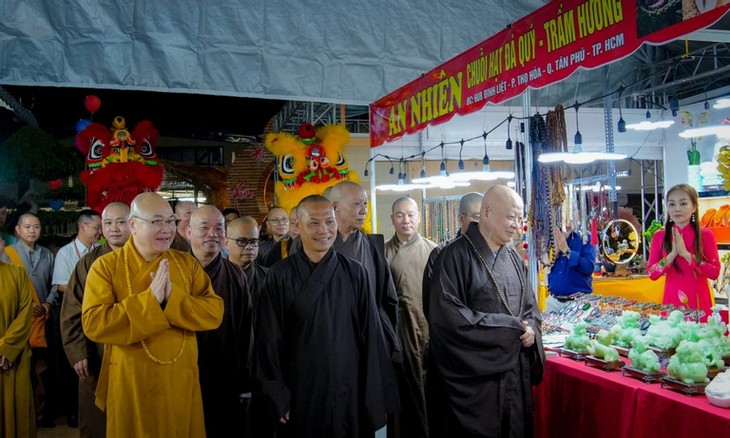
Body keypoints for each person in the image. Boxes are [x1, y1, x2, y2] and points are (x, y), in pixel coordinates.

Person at [81, 192, 224, 437]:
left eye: (170, 221)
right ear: (133, 225)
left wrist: (172, 300)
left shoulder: (185, 263)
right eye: (157, 221)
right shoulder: (106, 267)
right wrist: (150, 302)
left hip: (179, 378)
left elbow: (214, 312)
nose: (166, 229)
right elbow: (94, 323)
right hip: (132, 381)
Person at [254, 195, 395, 437]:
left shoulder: (355, 272)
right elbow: (268, 339)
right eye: (314, 223)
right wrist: (277, 394)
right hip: (300, 390)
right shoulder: (279, 275)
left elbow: (371, 337)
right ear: (297, 226)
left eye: (330, 222)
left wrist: (372, 397)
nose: (324, 231)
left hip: (348, 388)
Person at [426, 185, 545, 437]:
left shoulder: (513, 257)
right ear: (487, 213)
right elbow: (448, 318)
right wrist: (511, 329)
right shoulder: (453, 256)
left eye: (520, 218)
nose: (517, 224)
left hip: (512, 372)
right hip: (474, 382)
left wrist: (531, 330)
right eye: (511, 217)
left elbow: (530, 308)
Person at [60, 202, 131, 438]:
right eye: (107, 223)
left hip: (133, 352)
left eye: (120, 222)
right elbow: (71, 309)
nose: (114, 229)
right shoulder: (88, 262)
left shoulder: (144, 257)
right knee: (97, 419)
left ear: (132, 223)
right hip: (95, 353)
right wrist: (77, 351)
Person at [188, 205, 254, 438]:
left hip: (225, 374)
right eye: (204, 227)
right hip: (183, 374)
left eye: (219, 228)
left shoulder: (235, 274)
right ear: (188, 232)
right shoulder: (174, 271)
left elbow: (246, 329)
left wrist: (245, 380)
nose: (212, 234)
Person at [384, 197, 437, 438]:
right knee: (400, 390)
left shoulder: (433, 250)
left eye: (410, 214)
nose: (406, 220)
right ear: (392, 218)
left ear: (418, 217)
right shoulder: (381, 252)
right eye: (400, 215)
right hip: (395, 333)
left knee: (427, 388)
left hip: (426, 331)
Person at [1, 212, 57, 428]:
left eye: (36, 226)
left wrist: (48, 303)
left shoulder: (47, 255)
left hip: (43, 320)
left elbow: (55, 283)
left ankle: (40, 416)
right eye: (27, 227)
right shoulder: (7, 254)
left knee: (42, 371)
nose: (32, 231)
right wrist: (27, 306)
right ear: (17, 230)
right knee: (19, 373)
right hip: (19, 322)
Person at [52, 209, 102, 428]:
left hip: (97, 316)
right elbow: (61, 285)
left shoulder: (99, 251)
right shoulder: (66, 253)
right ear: (83, 227)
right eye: (97, 227)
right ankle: (73, 412)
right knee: (76, 369)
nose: (100, 231)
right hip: (75, 314)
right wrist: (87, 287)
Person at [648, 184, 721, 322]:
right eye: (672, 204)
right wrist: (671, 256)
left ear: (694, 207)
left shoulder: (705, 235)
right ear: (667, 208)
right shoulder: (660, 236)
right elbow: (652, 273)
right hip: (671, 300)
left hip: (699, 299)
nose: (677, 209)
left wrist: (687, 255)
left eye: (683, 203)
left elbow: (714, 272)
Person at [423, 192, 483, 319]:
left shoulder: (493, 252)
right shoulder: (441, 253)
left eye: (486, 218)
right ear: (461, 219)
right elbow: (432, 305)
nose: (483, 224)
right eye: (477, 218)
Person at [0, 236, 35, 437]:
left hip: (14, 356)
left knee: (17, 411)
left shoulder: (17, 273)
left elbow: (25, 312)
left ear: (4, 245)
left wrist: (7, 347)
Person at [545, 223, 597, 313]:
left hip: (578, 302)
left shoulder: (585, 237)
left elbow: (588, 268)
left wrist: (566, 250)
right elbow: (545, 265)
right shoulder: (552, 237)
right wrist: (558, 247)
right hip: (554, 301)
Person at [227, 216, 269, 312]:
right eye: (242, 241)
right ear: (226, 242)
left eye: (254, 241)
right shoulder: (214, 277)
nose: (249, 247)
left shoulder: (268, 277)